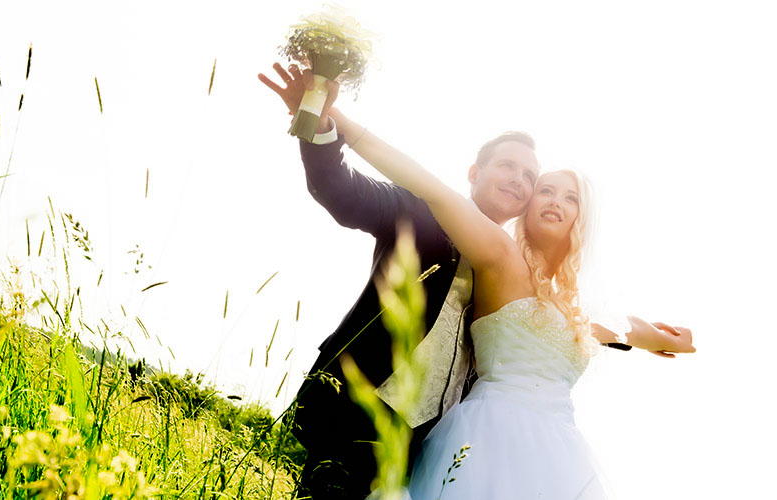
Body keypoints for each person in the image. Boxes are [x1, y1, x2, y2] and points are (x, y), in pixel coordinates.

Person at [258, 64, 695, 499]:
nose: (520, 181)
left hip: (433, 439)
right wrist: (323, 116)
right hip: (362, 407)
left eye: (530, 177)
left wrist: (652, 336)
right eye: (508, 166)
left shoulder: (529, 276)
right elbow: (338, 190)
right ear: (474, 172)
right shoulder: (420, 211)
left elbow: (577, 322)